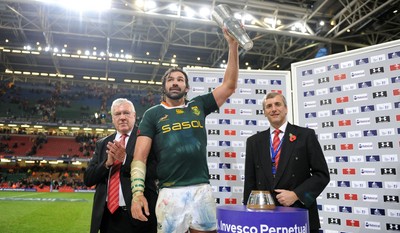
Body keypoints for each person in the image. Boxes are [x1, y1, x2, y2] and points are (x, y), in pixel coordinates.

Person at [130, 28, 239, 233]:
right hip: (170, 192)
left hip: (201, 189)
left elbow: (229, 85)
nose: (175, 82)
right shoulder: (152, 114)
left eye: (180, 79)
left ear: (186, 87)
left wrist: (233, 46)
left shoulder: (198, 105)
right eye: (170, 79)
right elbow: (139, 158)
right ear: (164, 86)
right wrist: (137, 194)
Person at [243, 92, 330, 233]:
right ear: (264, 112)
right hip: (265, 218)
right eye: (268, 106)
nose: (274, 109)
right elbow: (250, 182)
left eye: (278, 104)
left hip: (299, 214)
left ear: (286, 108)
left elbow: (322, 175)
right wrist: (248, 214)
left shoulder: (305, 136)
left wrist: (297, 194)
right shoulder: (253, 142)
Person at [84, 98, 157, 233]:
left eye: (126, 113)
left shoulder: (145, 139)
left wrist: (125, 159)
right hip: (107, 217)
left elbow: (154, 172)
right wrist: (106, 164)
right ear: (112, 119)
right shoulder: (103, 143)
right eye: (118, 114)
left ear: (134, 116)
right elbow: (88, 179)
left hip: (137, 215)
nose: (122, 117)